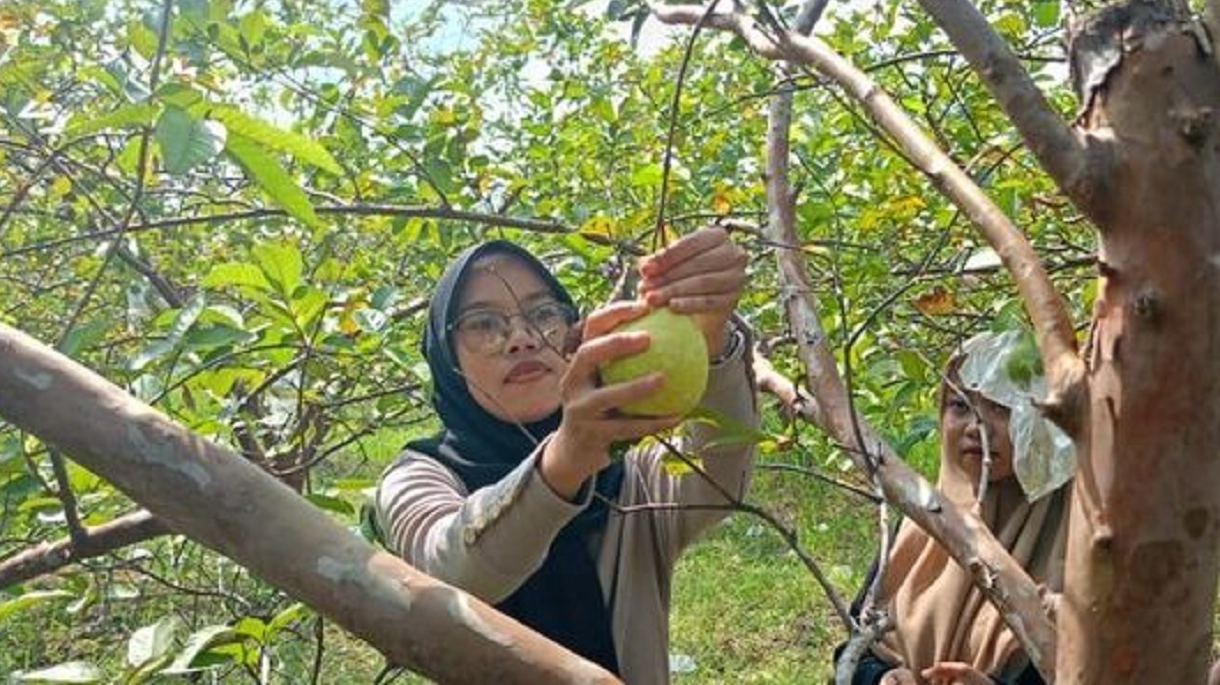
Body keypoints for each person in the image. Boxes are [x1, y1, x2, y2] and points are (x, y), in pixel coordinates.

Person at [375, 226, 758, 683]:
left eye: (542, 314)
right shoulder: (416, 475)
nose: (522, 338)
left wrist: (710, 335)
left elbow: (721, 475)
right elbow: (455, 574)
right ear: (448, 358)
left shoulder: (625, 476)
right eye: (483, 324)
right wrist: (567, 458)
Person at [836, 334, 1069, 685]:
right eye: (960, 406)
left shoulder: (1071, 547)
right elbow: (853, 650)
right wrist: (882, 679)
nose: (977, 427)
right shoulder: (923, 523)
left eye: (1002, 408)